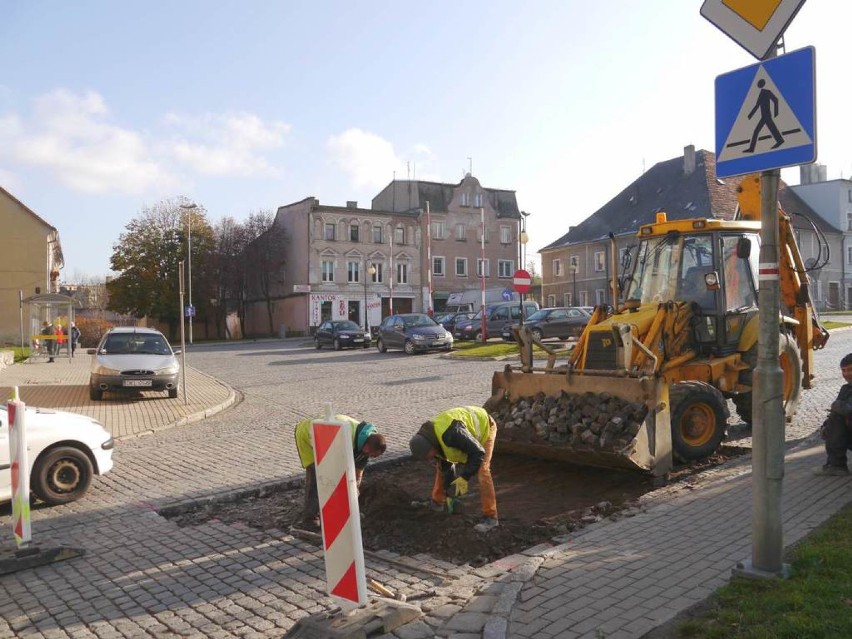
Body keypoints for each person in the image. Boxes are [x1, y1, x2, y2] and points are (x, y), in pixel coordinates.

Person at [409, 406, 499, 532]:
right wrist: (451, 494)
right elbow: (447, 466)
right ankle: (437, 503)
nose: (429, 459)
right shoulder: (430, 438)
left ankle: (491, 517)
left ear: (430, 447)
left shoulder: (452, 434)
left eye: (428, 456)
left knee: (483, 471)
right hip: (465, 438)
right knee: (441, 467)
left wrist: (464, 478)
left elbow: (478, 453)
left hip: (485, 428)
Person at [294, 415, 386, 530]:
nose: (371, 457)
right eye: (372, 455)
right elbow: (336, 469)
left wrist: (355, 487)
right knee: (318, 479)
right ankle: (309, 519)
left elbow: (358, 472)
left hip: (327, 437)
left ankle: (337, 512)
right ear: (367, 448)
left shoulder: (367, 441)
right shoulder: (344, 438)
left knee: (335, 480)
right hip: (308, 435)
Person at [816, 353, 852, 476]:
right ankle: (834, 463)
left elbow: (847, 410)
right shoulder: (846, 389)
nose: (846, 374)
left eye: (850, 370)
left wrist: (836, 405)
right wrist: (825, 426)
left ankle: (837, 465)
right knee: (832, 422)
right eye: (844, 370)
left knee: (837, 418)